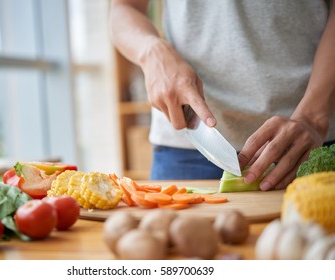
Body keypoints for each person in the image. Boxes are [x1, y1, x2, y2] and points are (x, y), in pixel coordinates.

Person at [109, 0, 335, 190]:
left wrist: (314, 116)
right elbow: (124, 7)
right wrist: (151, 51)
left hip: (305, 142)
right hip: (185, 148)